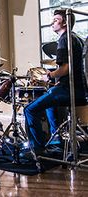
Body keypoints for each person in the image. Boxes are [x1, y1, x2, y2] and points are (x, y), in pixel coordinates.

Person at [24, 9, 87, 156]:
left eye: (56, 20)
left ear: (65, 22)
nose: (52, 23)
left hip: (70, 90)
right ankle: (57, 141)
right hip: (79, 89)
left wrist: (50, 76)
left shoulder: (64, 39)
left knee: (29, 109)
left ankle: (38, 149)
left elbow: (65, 69)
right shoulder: (77, 38)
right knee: (49, 105)